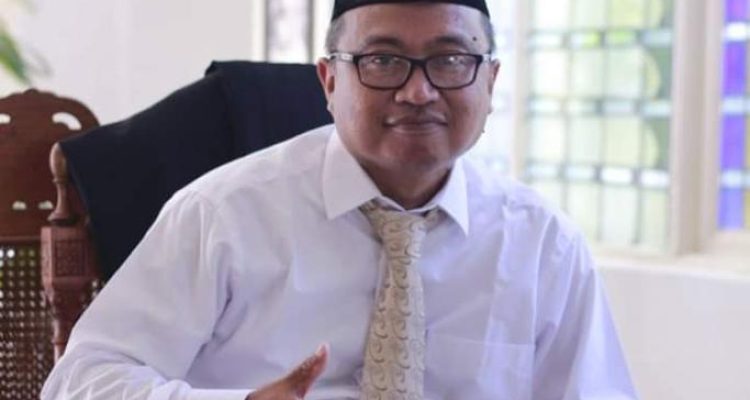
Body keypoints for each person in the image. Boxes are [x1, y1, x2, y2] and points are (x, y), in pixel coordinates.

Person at [42, 1, 637, 399]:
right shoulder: (223, 215)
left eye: (451, 60)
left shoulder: (542, 243)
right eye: (383, 61)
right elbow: (80, 381)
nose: (418, 91)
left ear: (490, 81)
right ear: (329, 80)